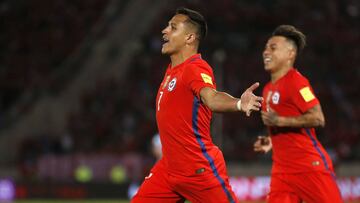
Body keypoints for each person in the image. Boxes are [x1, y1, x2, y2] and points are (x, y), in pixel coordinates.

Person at [132, 7, 263, 203]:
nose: (164, 31)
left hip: (197, 168)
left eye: (173, 27)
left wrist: (238, 103)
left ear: (189, 38)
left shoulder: (194, 68)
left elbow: (212, 97)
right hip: (168, 170)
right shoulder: (171, 72)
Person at [253, 25, 343, 203]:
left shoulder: (297, 82)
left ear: (290, 54)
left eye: (273, 48)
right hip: (282, 170)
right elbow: (282, 128)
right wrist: (269, 141)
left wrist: (280, 120)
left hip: (308, 166)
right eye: (265, 47)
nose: (265, 52)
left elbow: (318, 118)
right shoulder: (268, 89)